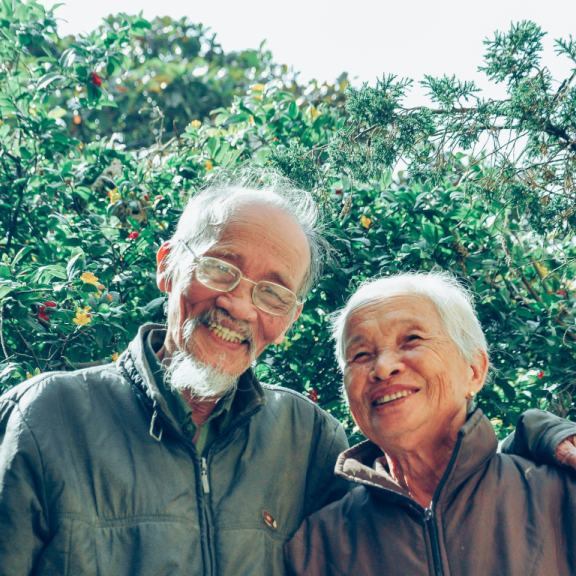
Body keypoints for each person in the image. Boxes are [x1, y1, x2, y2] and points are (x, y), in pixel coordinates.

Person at [0, 177, 574, 576]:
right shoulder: (48, 416)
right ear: (167, 266)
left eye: (273, 291)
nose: (241, 306)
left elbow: (432, 501)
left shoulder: (303, 438)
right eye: (220, 267)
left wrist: (534, 438)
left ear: (289, 317)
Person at [284, 271, 576, 576]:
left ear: (474, 371)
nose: (383, 367)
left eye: (412, 340)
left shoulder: (560, 496)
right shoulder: (317, 547)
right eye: (360, 354)